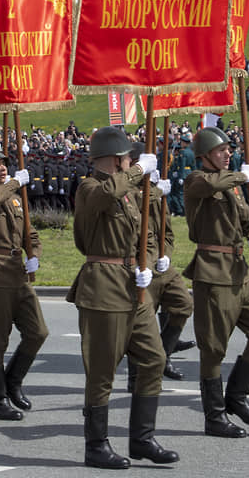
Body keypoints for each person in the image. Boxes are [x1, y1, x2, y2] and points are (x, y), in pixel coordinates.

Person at [67, 126, 178, 469]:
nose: (133, 160)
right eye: (128, 156)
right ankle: (96, 446)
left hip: (135, 285)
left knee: (153, 359)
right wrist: (137, 171)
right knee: (102, 372)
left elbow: (145, 223)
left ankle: (142, 438)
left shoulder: (128, 191)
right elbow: (105, 196)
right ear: (117, 160)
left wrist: (148, 261)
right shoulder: (90, 187)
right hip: (104, 286)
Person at [182, 127, 249, 439]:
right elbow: (211, 185)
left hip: (240, 270)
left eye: (229, 149)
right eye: (221, 150)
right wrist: (241, 176)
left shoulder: (234, 186)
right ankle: (215, 416)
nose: (228, 154)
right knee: (213, 349)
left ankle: (236, 396)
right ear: (205, 155)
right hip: (213, 271)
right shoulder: (197, 180)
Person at [0, 148, 48, 420]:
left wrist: (33, 255)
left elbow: (30, 232)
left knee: (38, 332)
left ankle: (13, 381)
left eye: (4, 164)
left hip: (17, 272)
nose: (2, 168)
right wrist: (14, 182)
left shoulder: (14, 198)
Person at [126, 143, 194, 388]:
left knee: (183, 305)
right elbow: (135, 201)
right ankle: (135, 377)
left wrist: (167, 254)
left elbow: (166, 231)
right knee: (141, 323)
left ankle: (163, 356)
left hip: (160, 262)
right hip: (140, 263)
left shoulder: (154, 188)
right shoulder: (131, 189)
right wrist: (156, 191)